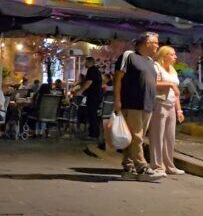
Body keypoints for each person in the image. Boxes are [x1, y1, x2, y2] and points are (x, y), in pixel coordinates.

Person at [113, 32, 165, 182]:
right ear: (146, 43)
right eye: (156, 43)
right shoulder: (129, 56)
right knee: (136, 136)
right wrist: (117, 100)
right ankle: (142, 167)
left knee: (137, 137)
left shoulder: (150, 61)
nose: (157, 46)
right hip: (132, 102)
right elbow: (118, 78)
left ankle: (128, 166)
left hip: (147, 104)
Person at [148, 46, 185, 175]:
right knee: (157, 136)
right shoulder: (156, 67)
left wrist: (179, 110)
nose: (175, 57)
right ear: (164, 55)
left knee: (170, 137)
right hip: (159, 103)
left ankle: (169, 164)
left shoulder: (173, 70)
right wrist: (170, 85)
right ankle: (157, 166)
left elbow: (176, 93)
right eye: (172, 54)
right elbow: (153, 83)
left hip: (171, 105)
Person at [77, 57, 104, 139]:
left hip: (93, 96)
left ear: (89, 62)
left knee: (92, 114)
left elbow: (89, 82)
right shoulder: (95, 70)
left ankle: (93, 134)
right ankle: (93, 133)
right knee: (92, 114)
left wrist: (80, 91)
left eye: (85, 62)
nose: (84, 64)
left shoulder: (92, 70)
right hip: (96, 95)